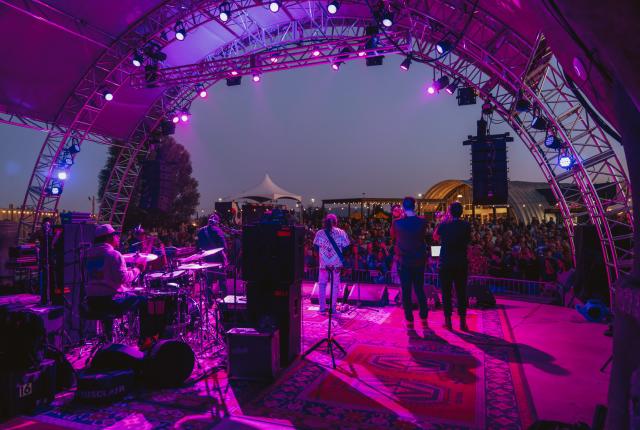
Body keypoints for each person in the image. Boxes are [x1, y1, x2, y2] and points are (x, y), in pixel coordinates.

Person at [85, 224, 155, 348]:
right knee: (144, 301)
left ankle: (108, 340)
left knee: (109, 300)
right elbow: (124, 279)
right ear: (108, 238)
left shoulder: (88, 255)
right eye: (115, 235)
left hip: (91, 301)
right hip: (110, 301)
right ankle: (145, 341)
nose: (117, 238)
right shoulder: (114, 254)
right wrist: (138, 269)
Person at [391, 197, 429, 326]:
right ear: (415, 206)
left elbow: (393, 236)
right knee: (419, 289)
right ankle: (423, 317)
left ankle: (409, 320)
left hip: (404, 261)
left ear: (403, 207)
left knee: (406, 290)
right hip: (419, 260)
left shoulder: (397, 223)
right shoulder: (422, 221)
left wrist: (400, 217)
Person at [434, 202, 471, 331]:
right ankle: (462, 322)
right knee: (461, 292)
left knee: (446, 292)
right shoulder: (466, 225)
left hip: (446, 262)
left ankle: (448, 321)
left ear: (450, 212)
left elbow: (435, 237)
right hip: (461, 262)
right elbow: (468, 241)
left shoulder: (444, 225)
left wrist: (442, 221)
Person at [313, 214, 350, 314]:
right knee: (335, 286)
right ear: (336, 222)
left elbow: (315, 248)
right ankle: (333, 309)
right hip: (336, 264)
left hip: (323, 265)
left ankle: (322, 309)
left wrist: (323, 256)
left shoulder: (319, 233)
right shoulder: (341, 233)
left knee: (322, 285)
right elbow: (347, 247)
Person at [196, 213, 228, 304]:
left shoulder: (201, 231)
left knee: (208, 282)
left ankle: (208, 302)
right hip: (218, 261)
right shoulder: (217, 230)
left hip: (207, 260)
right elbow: (224, 247)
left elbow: (198, 247)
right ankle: (224, 303)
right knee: (222, 282)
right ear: (217, 222)